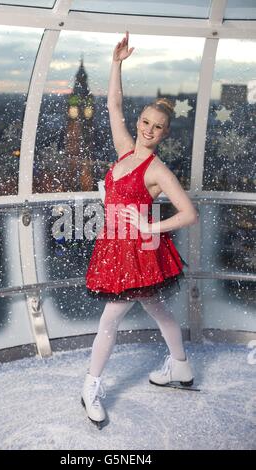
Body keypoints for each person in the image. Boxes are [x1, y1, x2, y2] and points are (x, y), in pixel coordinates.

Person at [81, 32, 199, 426]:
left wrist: (151, 223)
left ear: (165, 133)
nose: (149, 129)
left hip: (138, 249)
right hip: (117, 245)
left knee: (109, 321)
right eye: (146, 121)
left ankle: (91, 386)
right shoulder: (125, 151)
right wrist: (116, 63)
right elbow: (113, 104)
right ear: (140, 122)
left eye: (158, 126)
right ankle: (180, 366)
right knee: (157, 307)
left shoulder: (157, 170)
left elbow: (188, 214)